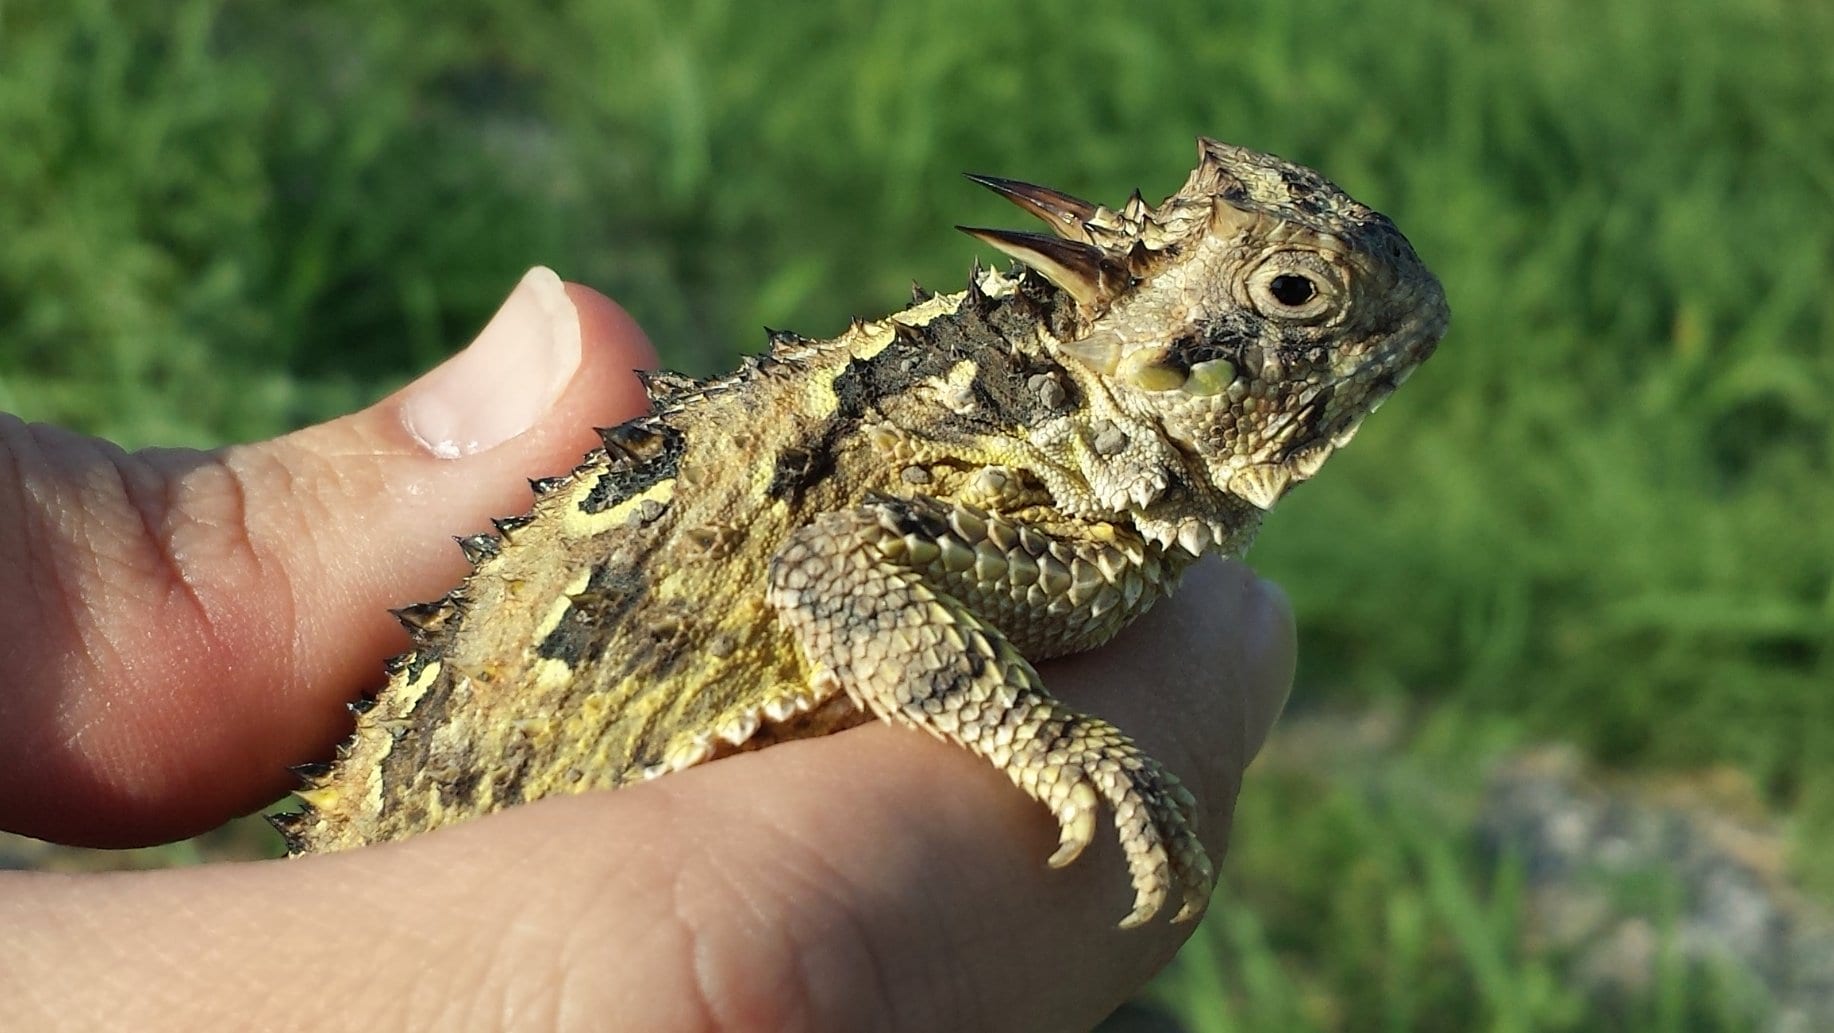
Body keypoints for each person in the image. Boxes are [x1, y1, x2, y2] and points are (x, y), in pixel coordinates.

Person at [0, 269, 1295, 1030]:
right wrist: (1036, 735)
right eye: (1290, 299)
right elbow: (831, 570)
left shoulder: (1050, 487)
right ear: (1162, 359)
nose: (1320, 330)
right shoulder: (1013, 473)